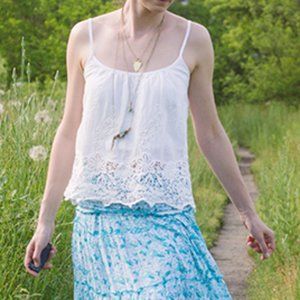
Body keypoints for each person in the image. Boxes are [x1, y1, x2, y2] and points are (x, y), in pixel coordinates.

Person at [24, 0, 276, 298]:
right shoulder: (85, 35)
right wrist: (45, 222)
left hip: (166, 215)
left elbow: (210, 134)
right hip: (99, 223)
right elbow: (68, 132)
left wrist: (248, 214)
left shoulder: (193, 39)